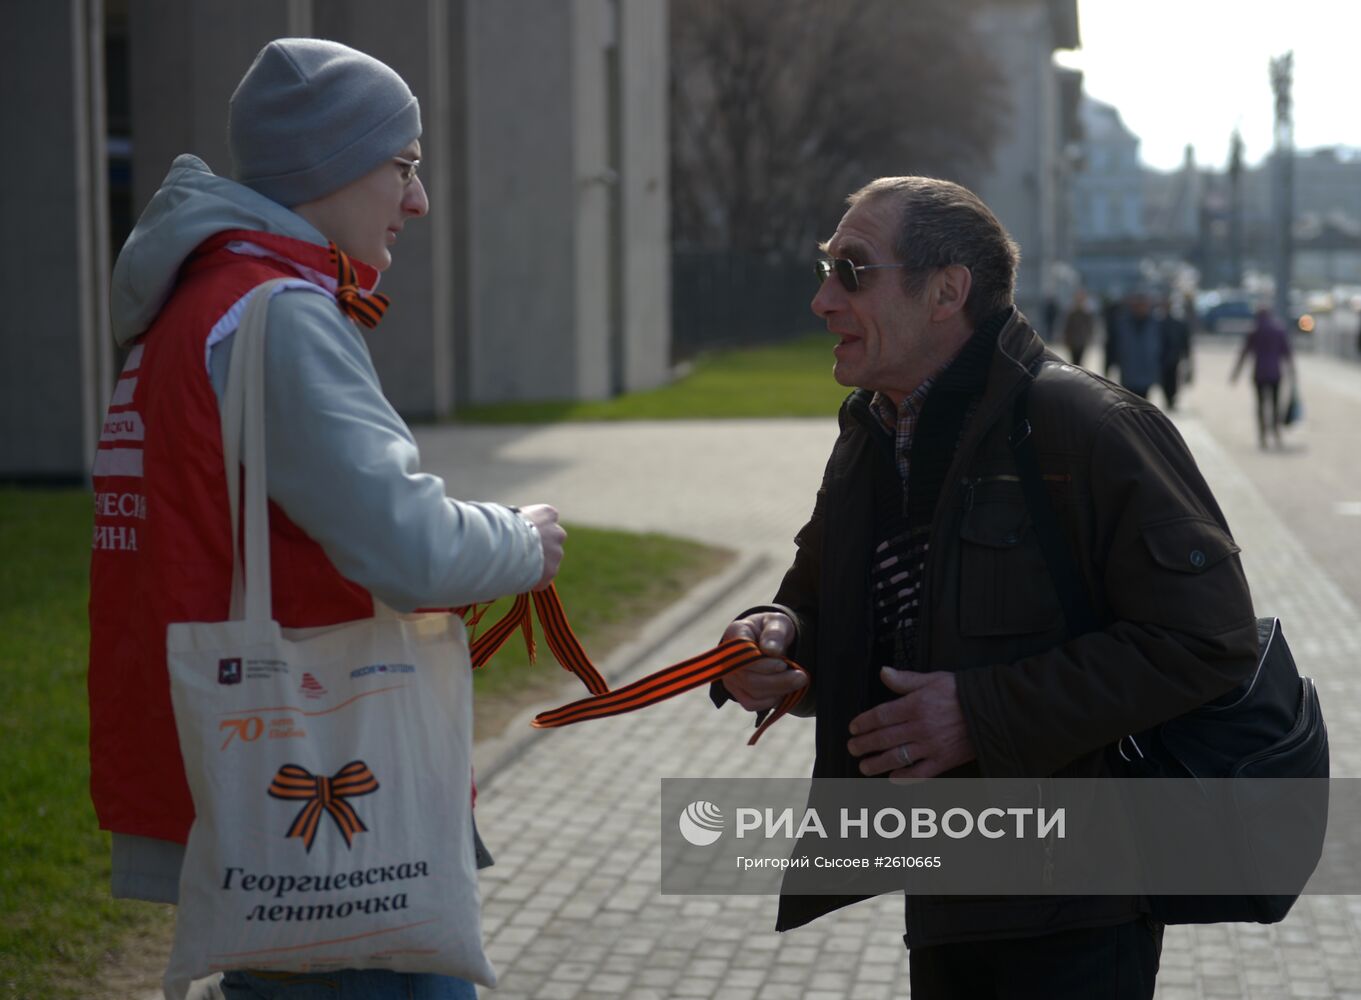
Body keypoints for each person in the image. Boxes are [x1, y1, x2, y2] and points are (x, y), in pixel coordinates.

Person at [88, 39, 566, 1000]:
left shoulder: (191, 306)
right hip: (324, 776)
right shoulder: (279, 315)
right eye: (405, 165)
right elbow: (408, 550)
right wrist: (524, 540)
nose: (417, 200)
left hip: (244, 768)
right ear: (329, 165)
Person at [713, 177, 1258, 999]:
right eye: (825, 269)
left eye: (851, 271)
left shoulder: (1085, 425)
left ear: (945, 292)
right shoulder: (871, 432)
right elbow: (819, 607)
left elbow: (1206, 640)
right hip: (946, 895)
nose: (824, 299)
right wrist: (773, 638)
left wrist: (979, 713)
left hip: (1076, 912)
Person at [1229, 305, 1293, 449]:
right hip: (1275, 373)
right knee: (1275, 404)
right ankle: (1276, 432)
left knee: (1260, 405)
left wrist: (1235, 374)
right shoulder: (1278, 330)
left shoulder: (1254, 331)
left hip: (1259, 374)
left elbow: (1244, 354)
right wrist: (1292, 372)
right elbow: (1287, 353)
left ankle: (1262, 435)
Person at [1110, 289, 1165, 399]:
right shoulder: (1122, 322)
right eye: (1137, 305)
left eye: (1143, 305)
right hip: (1128, 370)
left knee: (1144, 401)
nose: (1140, 308)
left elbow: (1162, 345)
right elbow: (1113, 345)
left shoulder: (1156, 323)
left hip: (1147, 370)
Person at [1158, 295, 1191, 410]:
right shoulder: (1158, 322)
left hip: (1173, 356)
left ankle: (1171, 399)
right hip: (1162, 357)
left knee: (1173, 379)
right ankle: (1168, 399)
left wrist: (1186, 355)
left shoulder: (1177, 322)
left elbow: (1184, 340)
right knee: (1165, 380)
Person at [1059, 288, 1095, 369]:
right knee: (1073, 361)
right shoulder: (1071, 312)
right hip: (1072, 340)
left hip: (1082, 340)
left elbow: (1090, 326)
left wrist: (1090, 337)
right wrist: (1065, 338)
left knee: (1080, 360)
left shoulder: (1086, 313)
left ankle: (1079, 372)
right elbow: (1067, 326)